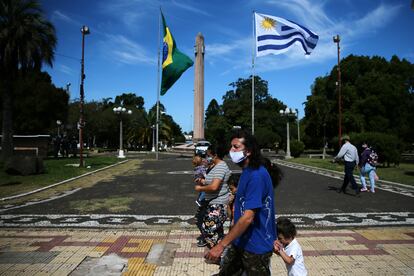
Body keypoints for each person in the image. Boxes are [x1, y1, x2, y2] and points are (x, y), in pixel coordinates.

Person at [206, 129, 277, 275]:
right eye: (231, 146)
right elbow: (241, 206)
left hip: (256, 246)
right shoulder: (247, 171)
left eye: (236, 147)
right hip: (241, 240)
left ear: (249, 151)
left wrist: (221, 245)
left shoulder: (256, 176)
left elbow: (248, 217)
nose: (231, 150)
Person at [195, 144, 231, 249]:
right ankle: (219, 254)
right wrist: (202, 180)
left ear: (215, 155)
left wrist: (200, 188)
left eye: (208, 155)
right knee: (216, 230)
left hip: (218, 203)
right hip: (212, 202)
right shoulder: (215, 166)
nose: (206, 157)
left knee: (208, 228)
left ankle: (217, 252)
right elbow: (211, 180)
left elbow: (214, 186)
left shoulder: (220, 167)